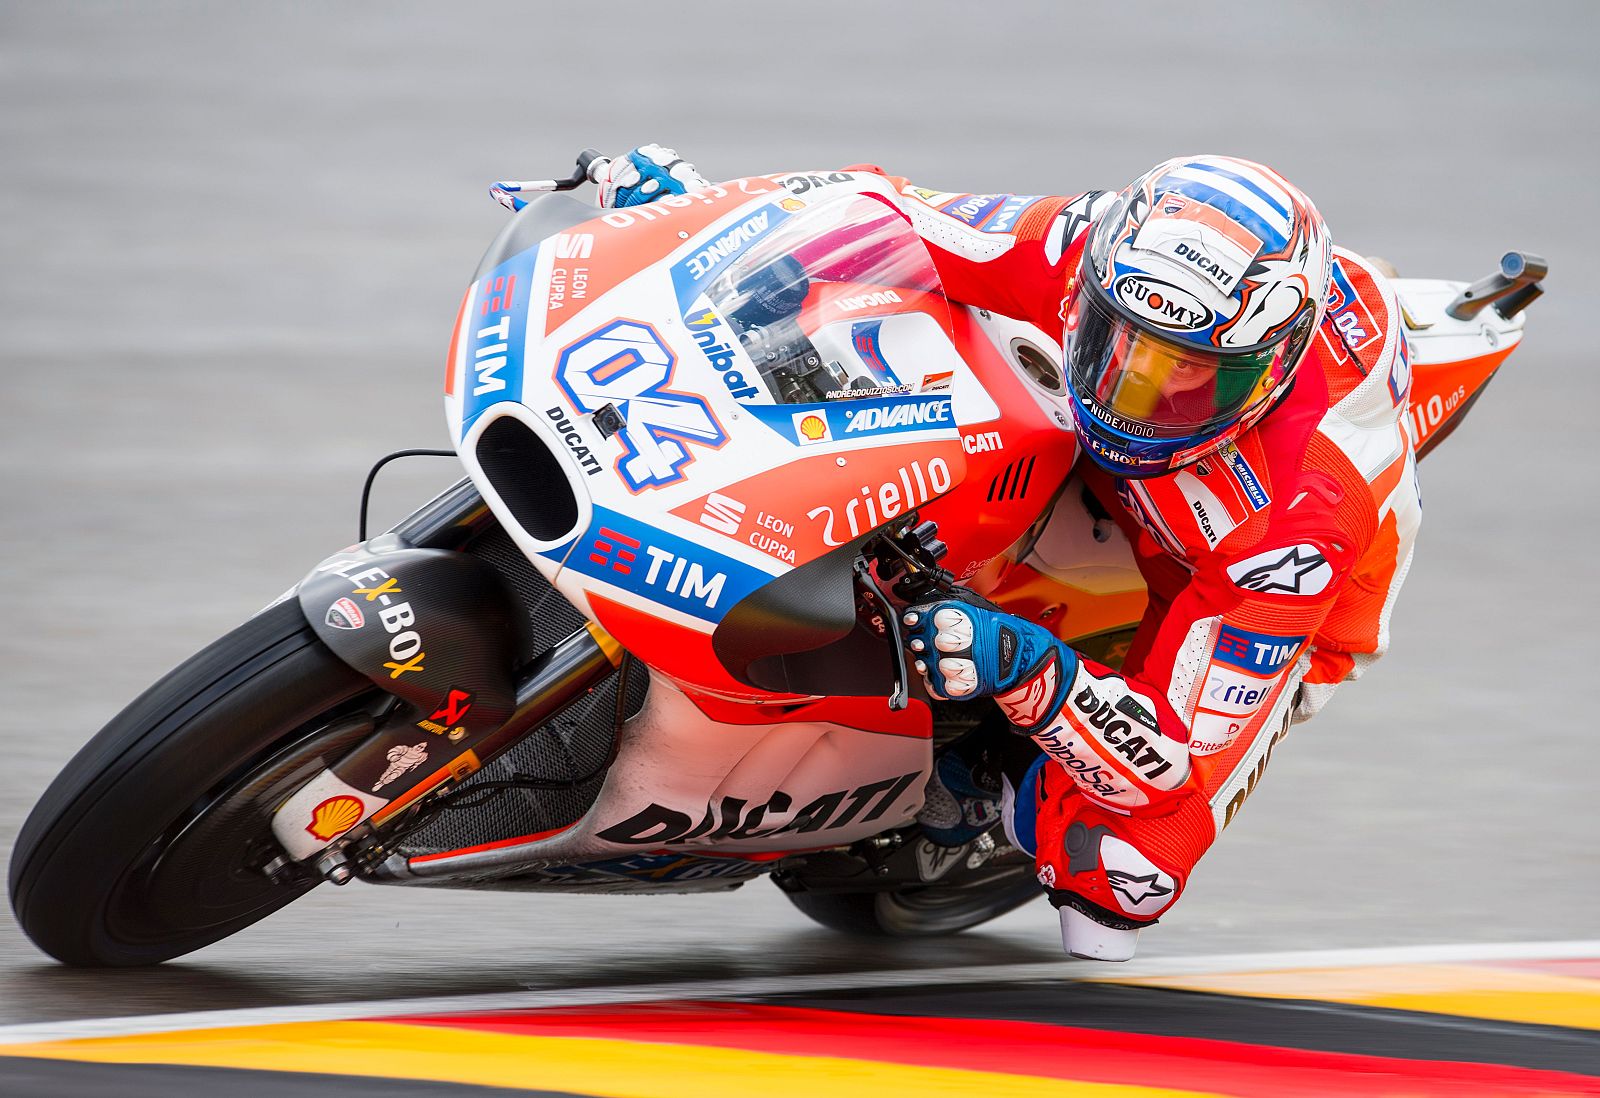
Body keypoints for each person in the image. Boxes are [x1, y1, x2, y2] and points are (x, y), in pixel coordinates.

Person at [595, 146, 1422, 961]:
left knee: (1124, 874)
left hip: (1244, 576)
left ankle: (991, 784)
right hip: (1158, 479)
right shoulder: (1083, 243)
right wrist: (702, 215)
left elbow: (1164, 762)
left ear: (1269, 369)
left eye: (1190, 375)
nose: (1133, 393)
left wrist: (1023, 667)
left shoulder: (1300, 521)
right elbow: (884, 212)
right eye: (1118, 342)